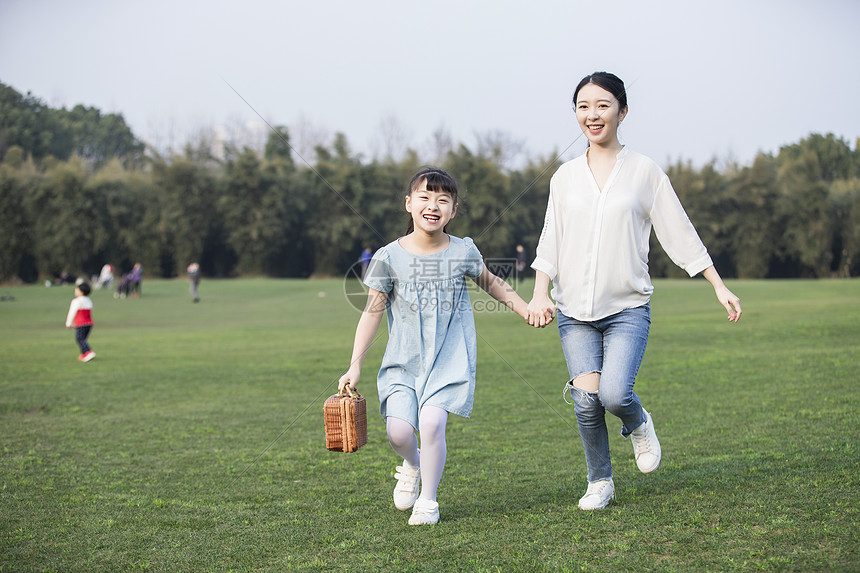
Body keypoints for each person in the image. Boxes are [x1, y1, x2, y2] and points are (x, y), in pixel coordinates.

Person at [527, 72, 742, 511]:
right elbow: (552, 238)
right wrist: (539, 293)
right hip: (574, 312)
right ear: (576, 114)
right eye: (584, 106)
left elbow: (678, 231)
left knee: (613, 395)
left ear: (622, 112)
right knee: (587, 404)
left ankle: (639, 422)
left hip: (627, 307)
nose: (593, 114)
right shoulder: (564, 177)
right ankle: (600, 481)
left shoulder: (645, 171)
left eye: (603, 105)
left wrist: (717, 285)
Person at [338, 167, 539, 526]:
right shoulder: (388, 257)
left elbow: (492, 284)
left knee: (432, 424)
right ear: (409, 204)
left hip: (449, 358)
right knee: (398, 433)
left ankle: (428, 501)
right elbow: (371, 314)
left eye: (442, 200)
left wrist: (525, 310)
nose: (433, 206)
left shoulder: (463, 251)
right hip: (403, 361)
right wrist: (355, 365)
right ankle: (413, 463)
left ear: (454, 210)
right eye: (425, 197)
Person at [66, 282, 96, 362]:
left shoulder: (76, 301)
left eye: (77, 289)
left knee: (79, 339)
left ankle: (89, 352)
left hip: (81, 323)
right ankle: (83, 355)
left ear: (81, 291)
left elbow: (72, 312)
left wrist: (68, 323)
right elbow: (90, 312)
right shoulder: (89, 300)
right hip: (89, 323)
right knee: (83, 339)